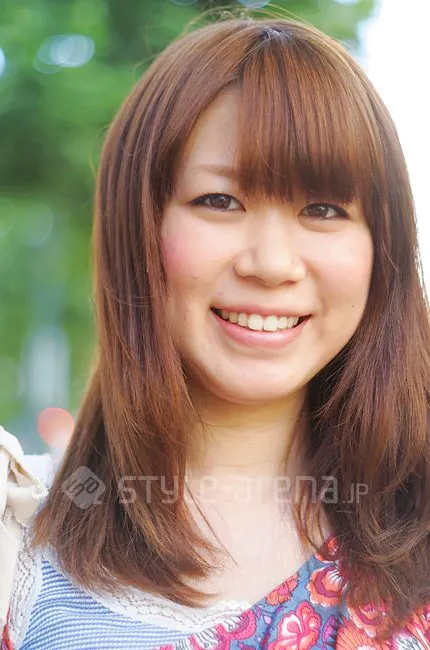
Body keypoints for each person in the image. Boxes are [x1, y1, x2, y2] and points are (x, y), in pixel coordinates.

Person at [1, 12, 429, 650]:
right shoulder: (17, 541)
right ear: (137, 227)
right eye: (220, 201)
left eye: (323, 209)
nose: (272, 264)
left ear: (382, 248)